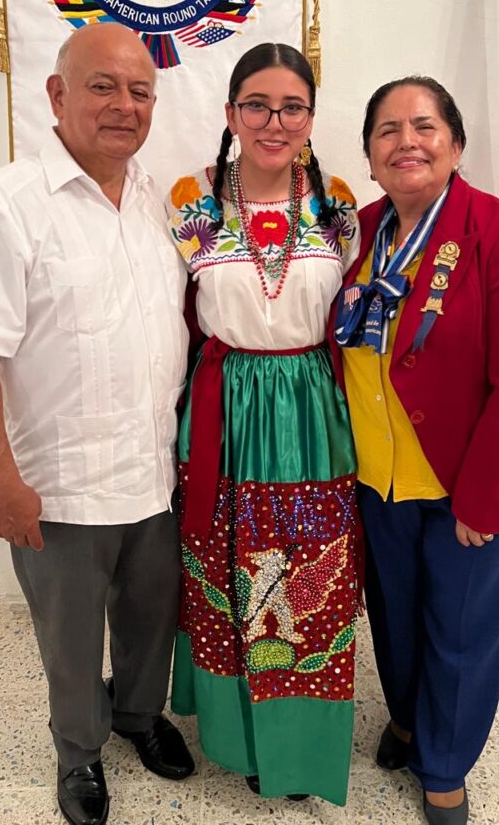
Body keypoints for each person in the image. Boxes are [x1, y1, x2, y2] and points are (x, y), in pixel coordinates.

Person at [0, 23, 195, 825]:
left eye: (141, 91)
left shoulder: (159, 200)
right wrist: (0, 483)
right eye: (103, 87)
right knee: (72, 639)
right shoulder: (5, 206)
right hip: (58, 488)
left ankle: (138, 716)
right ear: (56, 95)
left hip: (154, 473)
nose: (125, 106)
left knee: (153, 621)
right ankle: (79, 755)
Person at [328, 76, 499, 825]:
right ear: (369, 156)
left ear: (455, 144)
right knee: (393, 617)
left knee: (460, 632)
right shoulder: (355, 234)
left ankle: (446, 768)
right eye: (387, 130)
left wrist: (489, 497)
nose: (407, 142)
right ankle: (406, 719)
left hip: (470, 483)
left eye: (424, 126)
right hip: (378, 479)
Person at [165, 42, 361, 806]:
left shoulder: (336, 202)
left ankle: (301, 748)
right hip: (223, 406)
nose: (274, 122)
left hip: (312, 408)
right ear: (230, 114)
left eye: (292, 107)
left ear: (310, 117)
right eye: (258, 105)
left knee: (309, 589)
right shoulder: (191, 200)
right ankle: (239, 739)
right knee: (224, 572)